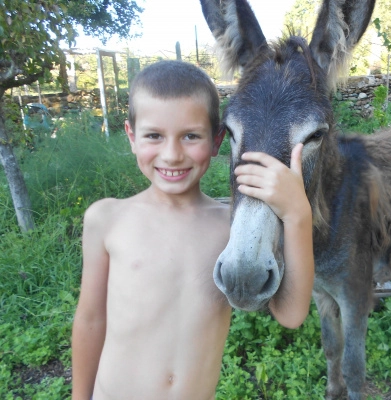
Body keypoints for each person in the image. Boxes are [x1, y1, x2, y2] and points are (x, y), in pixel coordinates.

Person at [71, 60, 314, 400]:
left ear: (216, 142)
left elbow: (290, 314)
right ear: (131, 136)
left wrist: (298, 213)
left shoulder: (231, 227)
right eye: (154, 135)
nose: (172, 155)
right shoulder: (107, 219)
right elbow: (90, 320)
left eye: (190, 136)